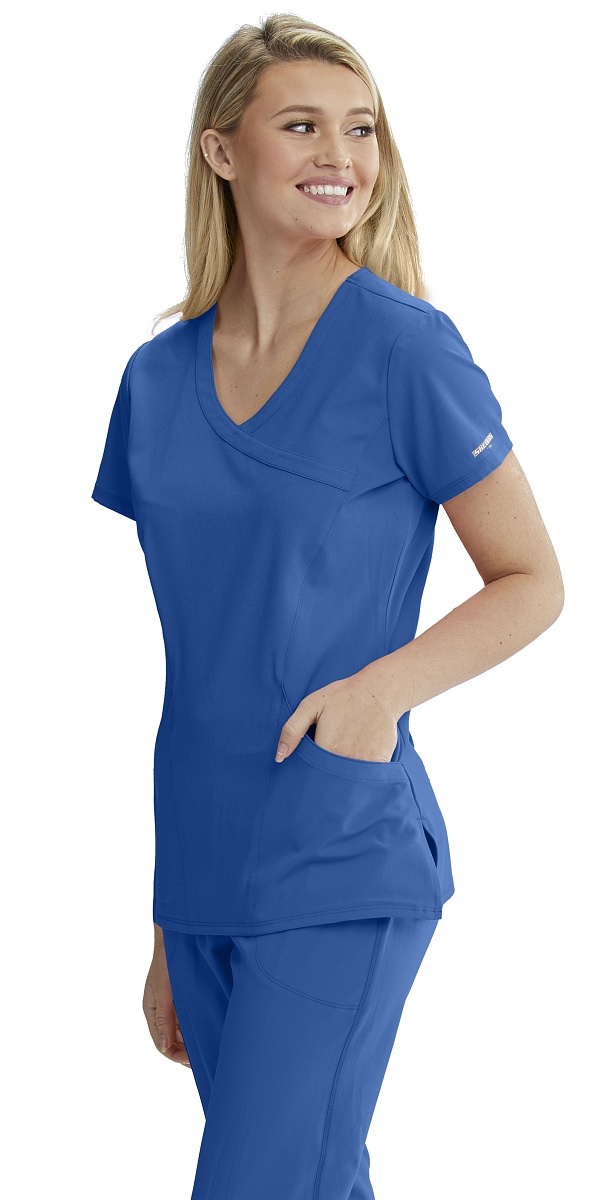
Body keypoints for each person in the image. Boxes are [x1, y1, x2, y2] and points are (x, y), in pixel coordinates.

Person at [90, 13, 564, 1199]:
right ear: (221, 151)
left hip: (338, 847)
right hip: (203, 856)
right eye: (300, 124)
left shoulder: (406, 350)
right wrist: (167, 922)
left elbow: (532, 579)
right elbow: (202, 659)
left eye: (361, 129)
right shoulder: (153, 381)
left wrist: (376, 695)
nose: (339, 154)